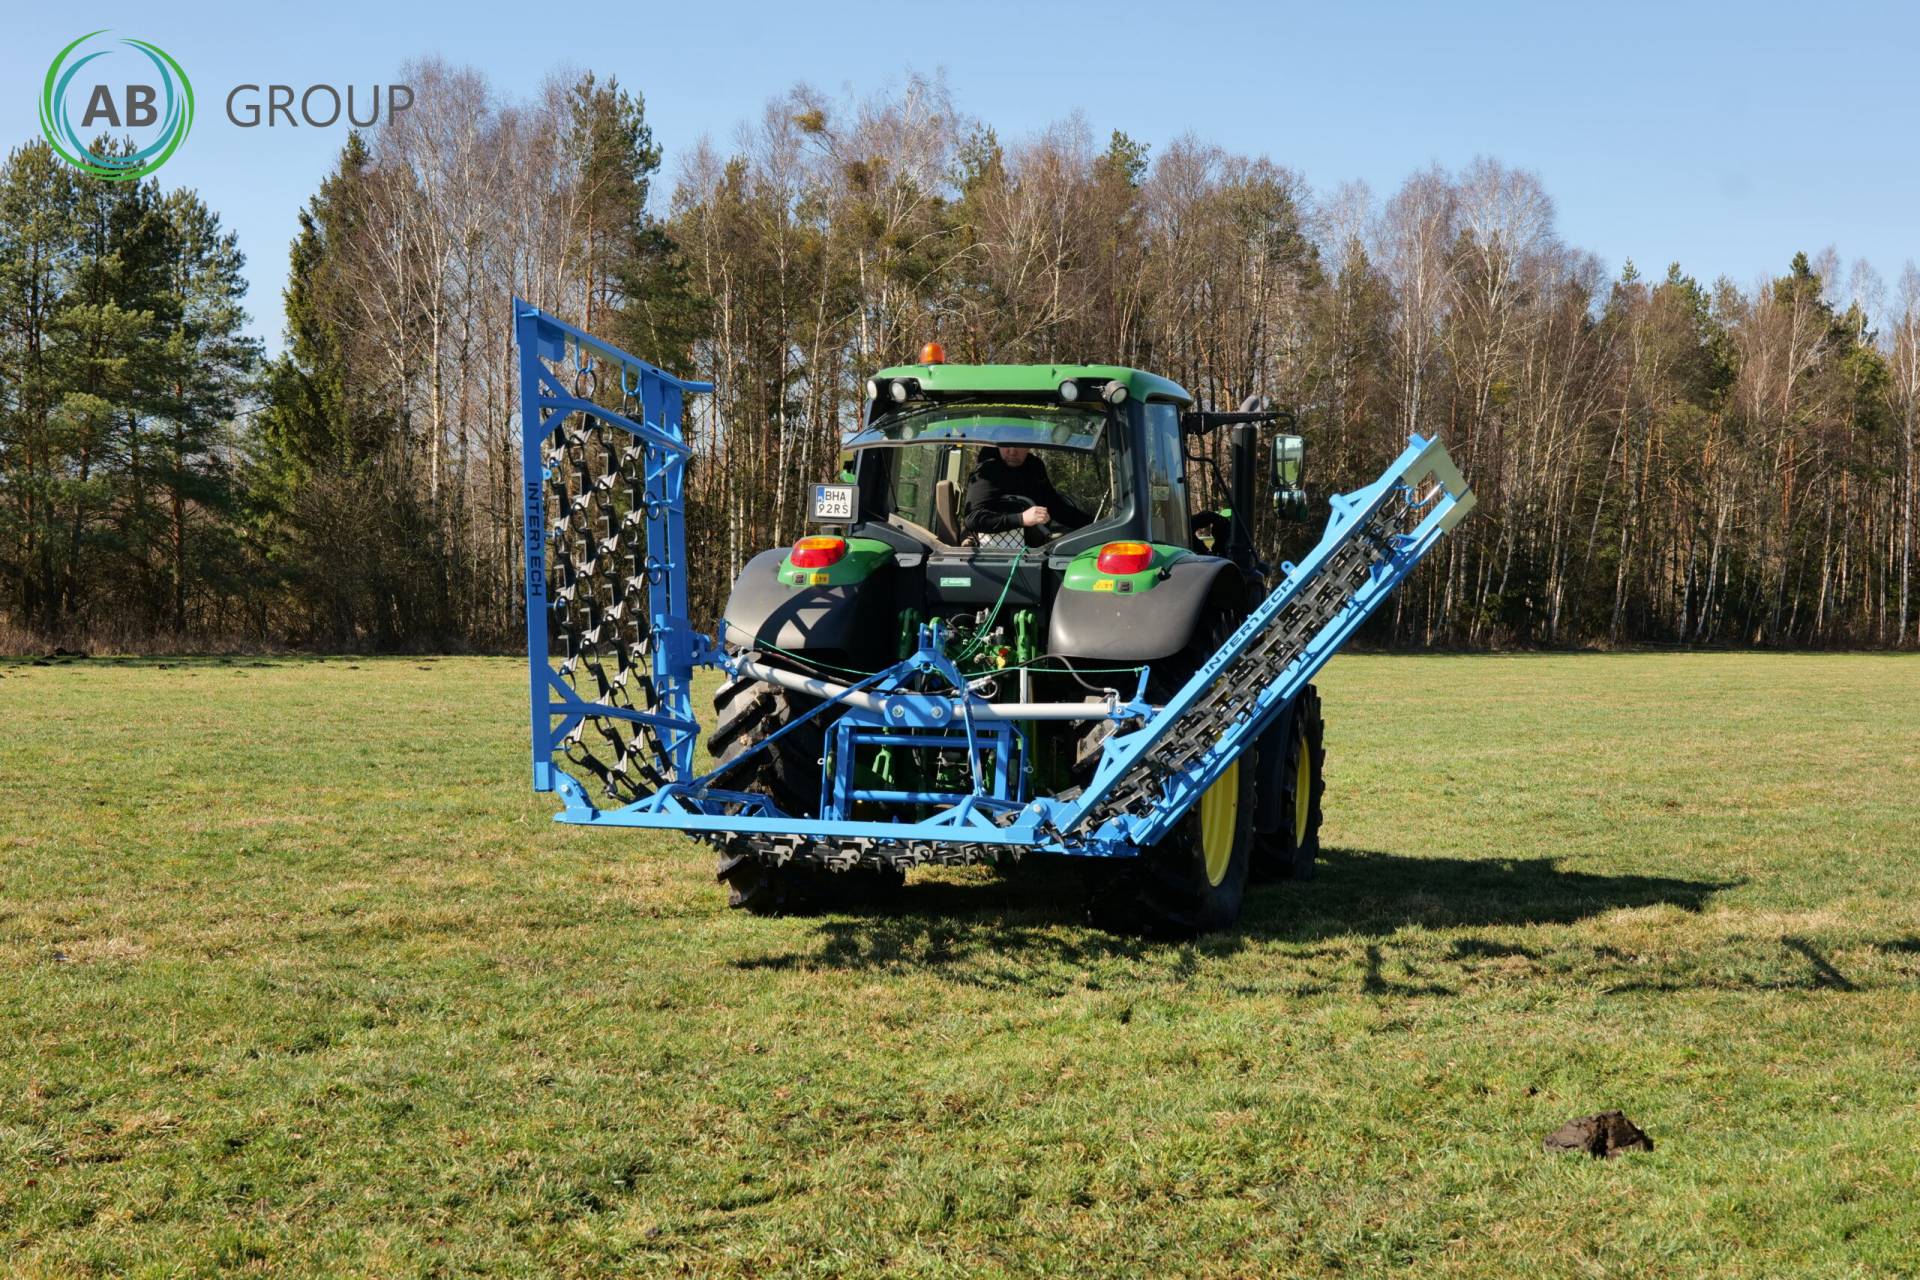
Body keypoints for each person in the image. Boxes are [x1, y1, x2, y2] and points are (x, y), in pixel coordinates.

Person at [962, 445, 1092, 546]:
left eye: (1019, 445)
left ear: (1029, 445)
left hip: (1035, 552)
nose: (1012, 451)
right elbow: (972, 518)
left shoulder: (1034, 467)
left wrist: (1094, 524)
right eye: (1006, 445)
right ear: (998, 445)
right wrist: (1021, 519)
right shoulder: (987, 471)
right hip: (992, 554)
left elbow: (1055, 507)